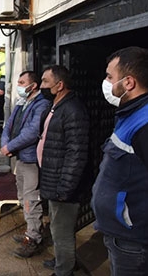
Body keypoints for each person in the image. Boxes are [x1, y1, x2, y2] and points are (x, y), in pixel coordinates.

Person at [92, 47, 148, 275]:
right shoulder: (133, 115)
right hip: (128, 243)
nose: (106, 82)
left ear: (129, 83)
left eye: (109, 77)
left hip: (143, 249)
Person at [37, 65, 90, 276]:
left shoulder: (73, 111)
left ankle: (64, 270)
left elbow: (76, 153)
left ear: (59, 85)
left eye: (45, 82)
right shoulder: (56, 106)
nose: (41, 86)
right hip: (53, 179)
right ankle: (63, 261)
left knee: (62, 232)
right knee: (57, 227)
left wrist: (65, 187)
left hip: (63, 184)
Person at [0, 71, 49, 258]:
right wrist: (6, 145)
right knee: (22, 197)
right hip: (19, 157)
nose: (19, 85)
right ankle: (32, 230)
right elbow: (8, 126)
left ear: (33, 85)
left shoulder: (41, 104)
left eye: (22, 82)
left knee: (31, 200)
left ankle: (34, 238)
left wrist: (10, 146)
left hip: (30, 159)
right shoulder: (22, 103)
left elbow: (32, 132)